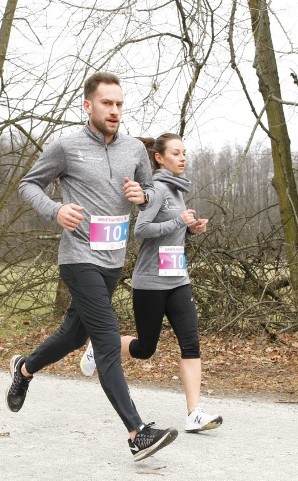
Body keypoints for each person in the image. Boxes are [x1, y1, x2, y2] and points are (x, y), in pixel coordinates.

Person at [6, 72, 178, 461]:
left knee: (71, 335)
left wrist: (142, 194)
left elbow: (150, 192)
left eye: (119, 104)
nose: (115, 110)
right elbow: (28, 184)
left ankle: (25, 369)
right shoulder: (66, 146)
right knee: (105, 338)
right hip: (78, 256)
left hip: (111, 259)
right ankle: (137, 433)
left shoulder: (134, 149)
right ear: (88, 106)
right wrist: (56, 209)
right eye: (107, 103)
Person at [80, 133, 223, 433]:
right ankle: (99, 346)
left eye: (185, 152)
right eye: (176, 153)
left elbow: (173, 231)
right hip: (151, 282)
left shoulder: (177, 189)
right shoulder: (157, 189)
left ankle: (194, 413)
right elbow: (141, 230)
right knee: (146, 349)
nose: (183, 158)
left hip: (177, 279)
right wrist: (178, 222)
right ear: (159, 158)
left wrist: (192, 229)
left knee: (191, 343)